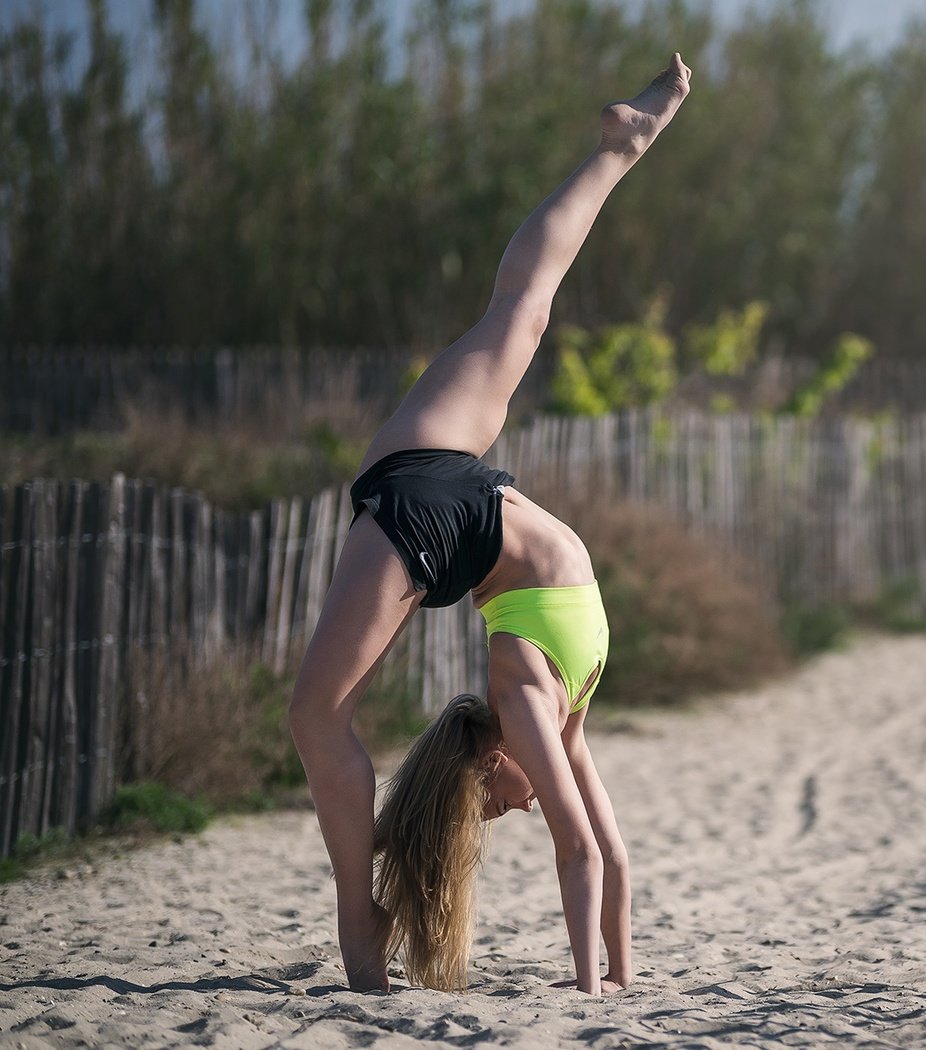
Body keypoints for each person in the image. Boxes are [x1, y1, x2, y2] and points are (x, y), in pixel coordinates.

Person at [286, 54, 691, 995]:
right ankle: (618, 154)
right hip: (435, 485)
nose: (507, 809)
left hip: (431, 494)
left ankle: (362, 920)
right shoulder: (536, 703)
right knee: (521, 307)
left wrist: (603, 983)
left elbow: (589, 849)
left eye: (491, 806)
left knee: (318, 713)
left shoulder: (527, 703)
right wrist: (607, 984)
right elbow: (596, 850)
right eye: (505, 809)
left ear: (494, 759)